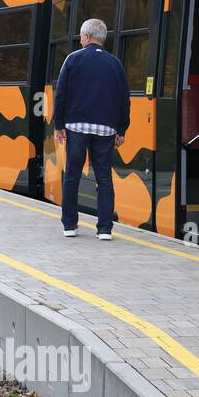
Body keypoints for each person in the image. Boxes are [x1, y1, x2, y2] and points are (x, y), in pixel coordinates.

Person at [53, 18, 130, 240]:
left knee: (72, 176)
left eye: (81, 36)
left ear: (87, 37)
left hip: (76, 127)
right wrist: (121, 130)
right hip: (106, 130)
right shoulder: (115, 64)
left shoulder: (73, 59)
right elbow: (124, 99)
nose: (80, 40)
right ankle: (105, 229)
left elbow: (61, 94)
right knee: (104, 178)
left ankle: (70, 225)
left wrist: (59, 125)